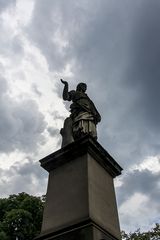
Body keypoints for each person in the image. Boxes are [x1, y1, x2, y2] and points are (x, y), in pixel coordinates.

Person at [60, 79, 101, 147]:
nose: (85, 88)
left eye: (85, 87)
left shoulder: (87, 98)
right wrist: (66, 85)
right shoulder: (74, 92)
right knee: (81, 128)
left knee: (91, 131)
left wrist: (97, 114)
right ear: (79, 86)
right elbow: (65, 97)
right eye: (83, 86)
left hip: (90, 113)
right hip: (79, 112)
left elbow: (92, 106)